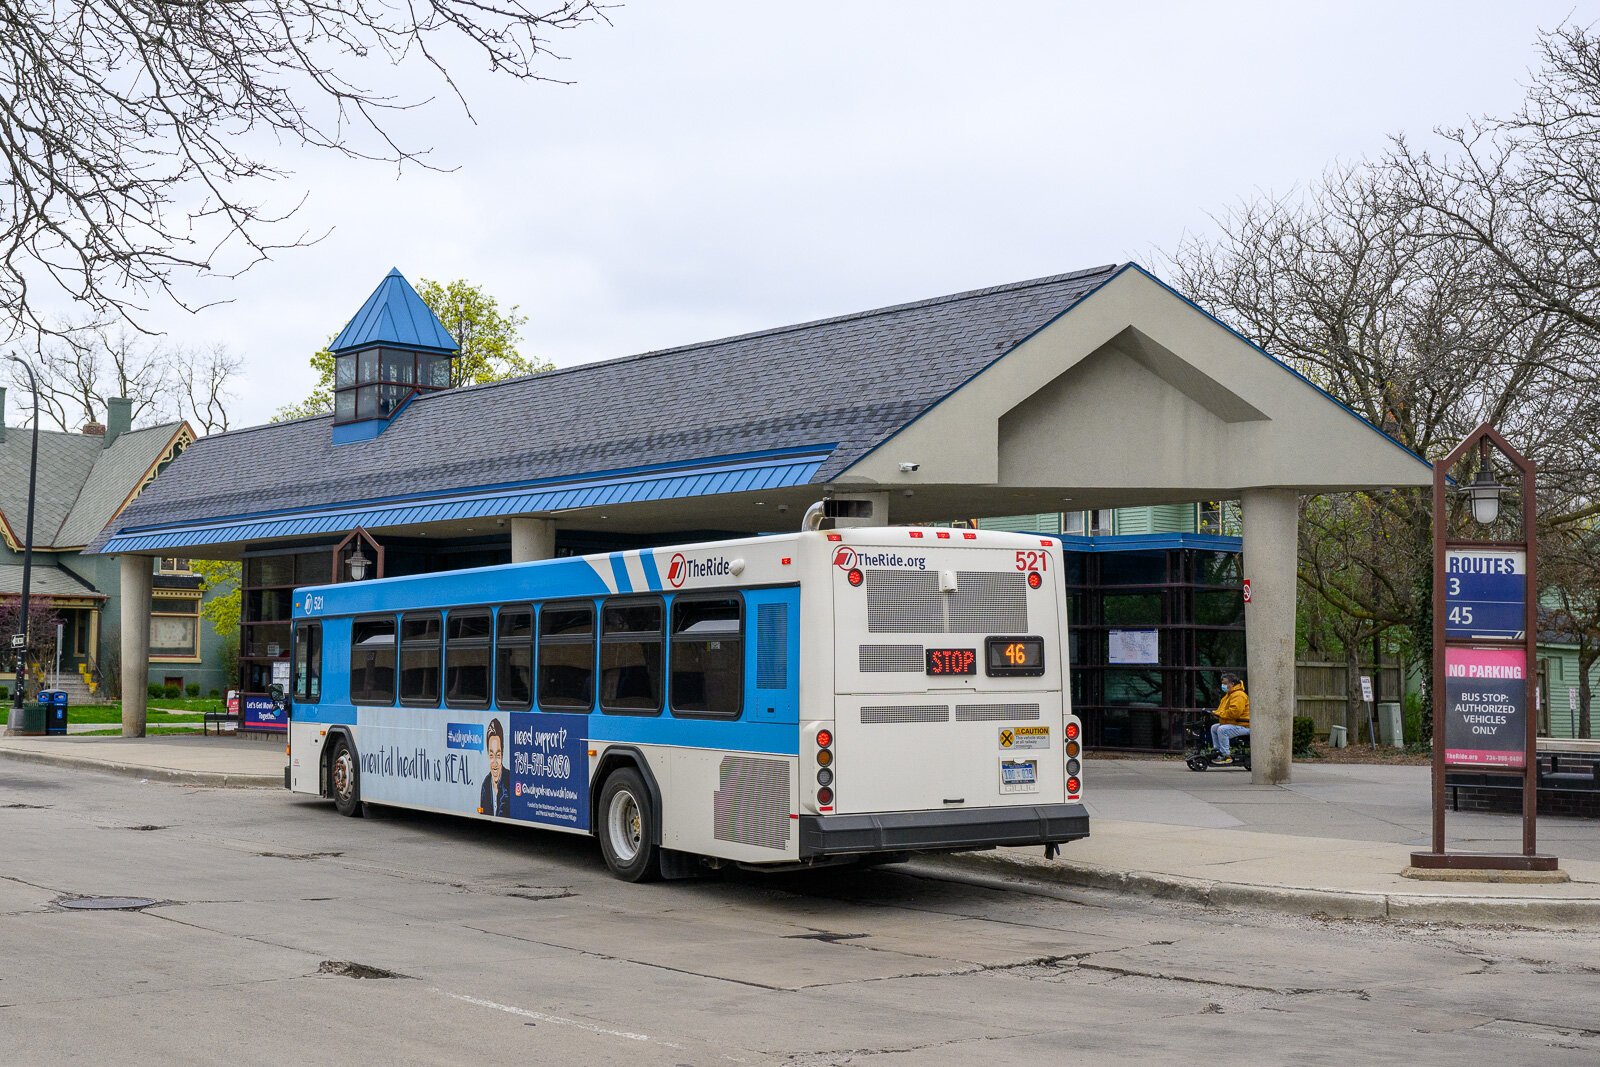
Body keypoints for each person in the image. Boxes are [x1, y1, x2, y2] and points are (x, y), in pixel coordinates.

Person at [1209, 672, 1250, 764]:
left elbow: (1234, 712)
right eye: (1222, 683)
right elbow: (1223, 711)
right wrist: (1216, 713)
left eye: (1225, 683)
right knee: (1214, 728)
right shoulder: (1229, 695)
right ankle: (1218, 751)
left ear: (1232, 684)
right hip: (1237, 724)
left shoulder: (1238, 695)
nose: (1223, 685)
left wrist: (1219, 714)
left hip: (1245, 726)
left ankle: (1226, 756)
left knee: (1222, 729)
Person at [478, 718, 510, 816]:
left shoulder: (509, 781)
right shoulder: (486, 784)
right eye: (491, 755)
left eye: (498, 755)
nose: (495, 763)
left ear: (503, 755)